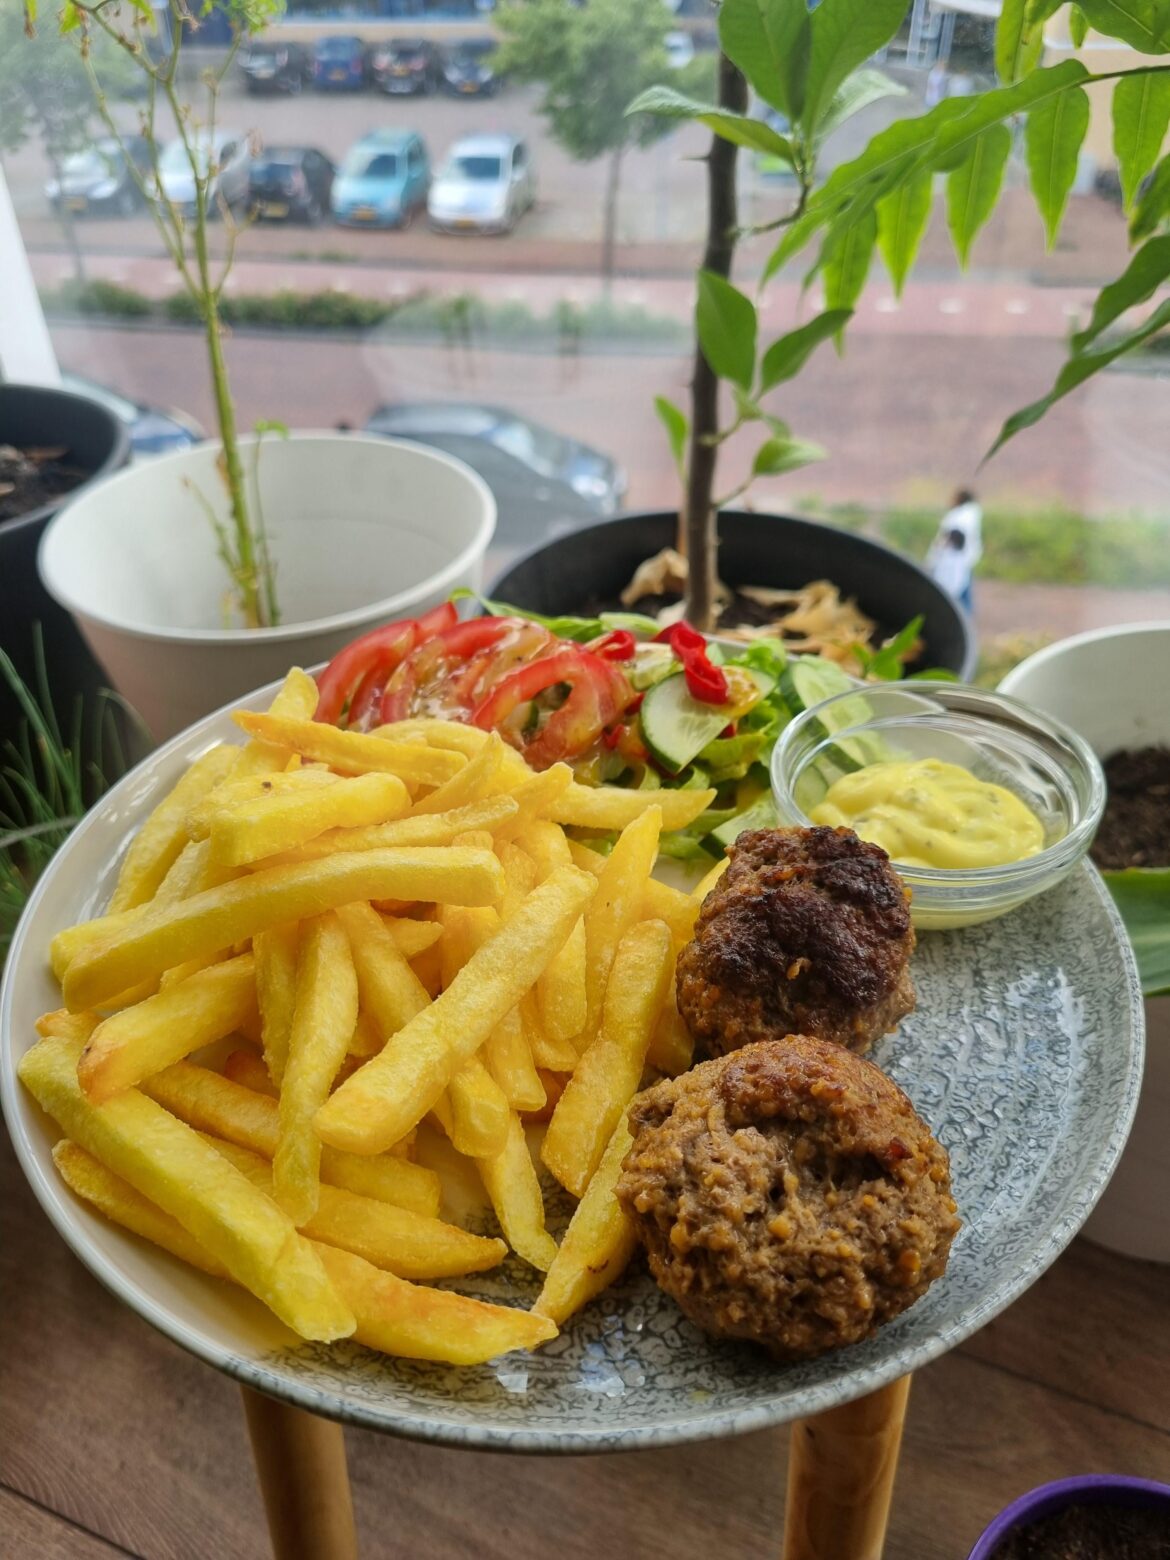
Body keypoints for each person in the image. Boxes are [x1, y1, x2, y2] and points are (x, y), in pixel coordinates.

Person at [927, 488, 983, 614]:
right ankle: (965, 617)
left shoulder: (960, 516)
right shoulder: (970, 515)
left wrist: (940, 547)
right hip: (962, 560)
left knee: (955, 590)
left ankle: (961, 618)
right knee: (963, 589)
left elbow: (955, 535)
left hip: (953, 561)